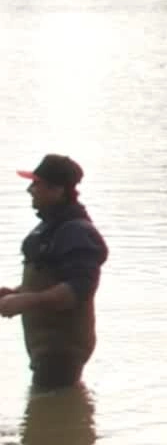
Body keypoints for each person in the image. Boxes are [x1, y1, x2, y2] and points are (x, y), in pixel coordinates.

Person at [0, 155, 109, 392]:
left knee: (45, 411)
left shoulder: (77, 232)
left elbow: (78, 289)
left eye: (36, 183)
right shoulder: (53, 228)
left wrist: (25, 300)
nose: (30, 189)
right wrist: (14, 293)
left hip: (62, 350)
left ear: (57, 189)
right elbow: (50, 280)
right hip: (45, 347)